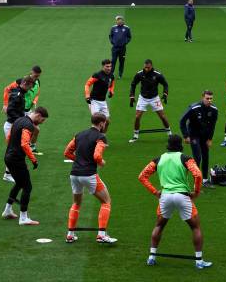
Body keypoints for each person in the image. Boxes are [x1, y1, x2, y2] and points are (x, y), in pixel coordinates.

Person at [138, 135, 212, 269]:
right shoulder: (185, 158)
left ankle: (151, 257)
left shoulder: (159, 159)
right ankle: (199, 261)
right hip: (182, 196)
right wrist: (195, 192)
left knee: (159, 226)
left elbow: (142, 176)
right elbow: (198, 174)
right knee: (195, 227)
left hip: (165, 197)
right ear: (181, 145)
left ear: (168, 145)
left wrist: (155, 192)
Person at [64, 113, 117, 243]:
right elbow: (97, 156)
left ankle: (70, 234)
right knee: (106, 202)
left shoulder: (79, 134)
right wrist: (102, 162)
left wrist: (80, 160)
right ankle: (101, 235)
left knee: (76, 203)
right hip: (88, 175)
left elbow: (67, 152)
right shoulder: (101, 137)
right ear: (101, 123)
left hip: (74, 174)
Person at [1, 107, 49, 225]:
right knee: (27, 187)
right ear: (37, 115)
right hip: (16, 159)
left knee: (19, 183)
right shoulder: (28, 125)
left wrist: (11, 148)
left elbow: (8, 137)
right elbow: (24, 144)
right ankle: (23, 218)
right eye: (42, 120)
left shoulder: (18, 120)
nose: (41, 123)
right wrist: (33, 159)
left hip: (8, 157)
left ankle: (7, 210)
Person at [180, 90, 218, 188]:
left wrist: (210, 139)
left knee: (206, 157)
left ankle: (205, 180)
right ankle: (196, 182)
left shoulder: (214, 110)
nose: (209, 100)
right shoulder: (194, 108)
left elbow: (213, 126)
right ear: (202, 98)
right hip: (194, 135)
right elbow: (182, 121)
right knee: (197, 157)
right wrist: (186, 136)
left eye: (211, 98)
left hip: (204, 136)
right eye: (207, 98)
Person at [2, 76, 35, 182]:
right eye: (30, 87)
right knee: (12, 150)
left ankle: (10, 172)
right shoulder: (18, 95)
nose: (30, 89)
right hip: (12, 126)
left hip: (14, 125)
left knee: (14, 150)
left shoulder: (19, 92)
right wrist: (21, 120)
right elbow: (10, 111)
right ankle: (7, 174)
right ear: (25, 84)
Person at [129, 59, 171, 143]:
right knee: (137, 117)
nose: (146, 69)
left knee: (162, 116)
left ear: (151, 66)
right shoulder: (139, 74)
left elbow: (165, 84)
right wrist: (132, 96)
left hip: (154, 98)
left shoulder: (157, 74)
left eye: (148, 67)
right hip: (143, 98)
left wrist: (165, 94)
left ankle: (169, 133)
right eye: (145, 67)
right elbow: (133, 84)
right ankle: (135, 135)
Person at [2, 66, 42, 152]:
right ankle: (25, 147)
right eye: (35, 76)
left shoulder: (37, 82)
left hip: (26, 112)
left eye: (38, 76)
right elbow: (7, 89)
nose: (36, 78)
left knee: (35, 129)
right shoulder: (21, 82)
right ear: (31, 72)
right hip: (21, 113)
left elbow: (37, 92)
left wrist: (35, 100)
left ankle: (31, 146)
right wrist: (5, 105)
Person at [85, 59, 115, 131]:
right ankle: (94, 138)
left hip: (103, 101)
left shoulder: (111, 75)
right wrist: (87, 96)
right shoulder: (97, 75)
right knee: (97, 121)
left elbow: (112, 83)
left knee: (107, 121)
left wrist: (111, 91)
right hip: (94, 101)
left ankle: (102, 136)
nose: (109, 68)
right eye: (107, 66)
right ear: (103, 66)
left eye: (110, 66)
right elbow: (87, 84)